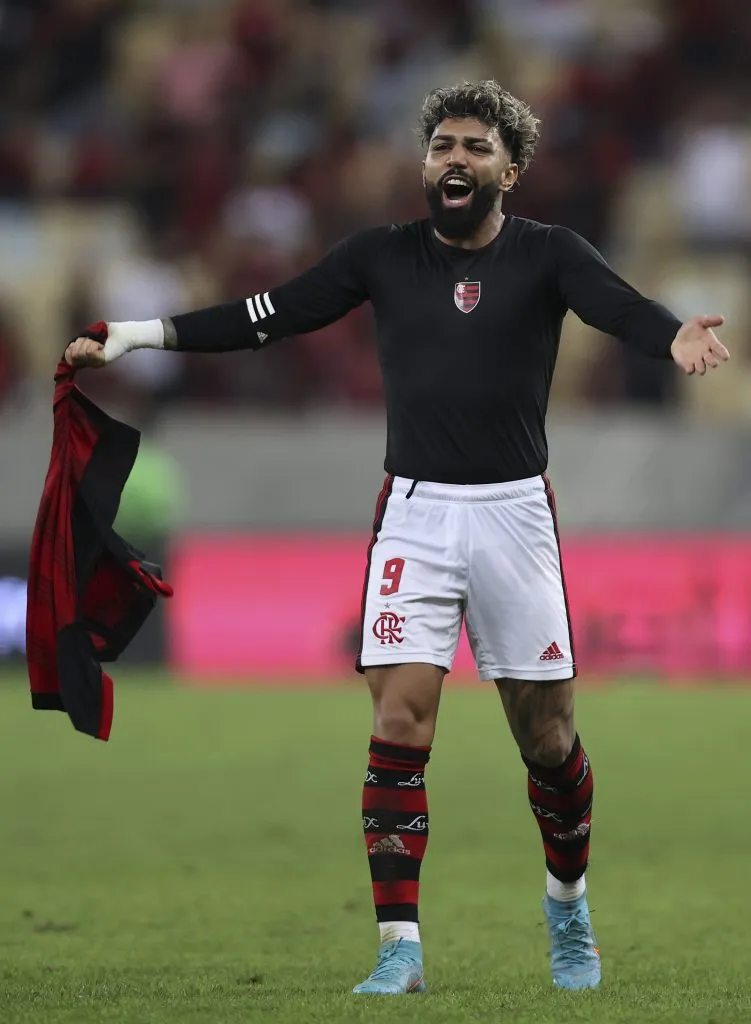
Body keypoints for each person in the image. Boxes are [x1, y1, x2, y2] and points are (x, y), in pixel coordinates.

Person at [65, 80, 729, 996]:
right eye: (441, 145)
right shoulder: (381, 256)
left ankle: (567, 904)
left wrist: (672, 339)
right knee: (398, 723)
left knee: (548, 740)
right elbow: (268, 316)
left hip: (513, 515)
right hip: (415, 514)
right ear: (425, 163)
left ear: (511, 169)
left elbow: (619, 308)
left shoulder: (549, 254)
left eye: (475, 147)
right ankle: (398, 948)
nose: (454, 158)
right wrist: (134, 337)